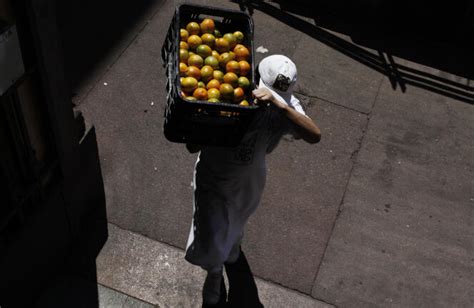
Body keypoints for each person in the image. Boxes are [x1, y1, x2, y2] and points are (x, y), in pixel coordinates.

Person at [184, 55, 321, 307]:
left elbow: (314, 135)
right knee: (210, 233)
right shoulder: (230, 93)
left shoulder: (286, 107)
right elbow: (192, 145)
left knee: (237, 220)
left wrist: (281, 107)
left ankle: (232, 247)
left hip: (250, 179)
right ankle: (214, 274)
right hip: (214, 176)